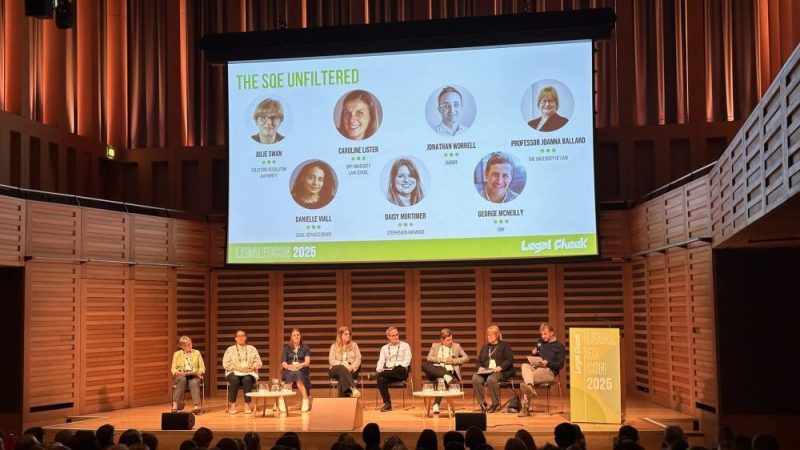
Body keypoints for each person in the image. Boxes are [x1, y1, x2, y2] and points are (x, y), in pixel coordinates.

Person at [518, 322, 566, 416]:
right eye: (542, 334)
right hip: (536, 368)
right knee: (524, 365)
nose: (543, 336)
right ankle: (530, 388)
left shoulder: (559, 346)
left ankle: (525, 409)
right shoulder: (540, 342)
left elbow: (560, 365)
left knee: (528, 380)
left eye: (545, 334)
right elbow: (537, 354)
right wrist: (534, 353)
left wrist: (548, 363)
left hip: (548, 371)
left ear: (551, 333)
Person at [421, 328, 469, 414]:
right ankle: (445, 376)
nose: (451, 341)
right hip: (435, 370)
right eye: (448, 340)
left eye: (451, 339)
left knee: (440, 380)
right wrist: (443, 360)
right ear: (442, 340)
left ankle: (436, 404)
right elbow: (429, 358)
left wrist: (454, 361)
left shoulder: (456, 346)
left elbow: (466, 358)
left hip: (449, 371)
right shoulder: (435, 346)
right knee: (424, 364)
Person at [472, 325, 514, 412]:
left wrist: (500, 367)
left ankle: (495, 404)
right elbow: (478, 361)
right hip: (486, 371)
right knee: (475, 378)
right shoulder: (485, 347)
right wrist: (480, 367)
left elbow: (509, 360)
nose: (489, 337)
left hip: (500, 371)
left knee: (491, 379)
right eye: (488, 335)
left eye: (491, 335)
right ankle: (482, 403)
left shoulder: (504, 345)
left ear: (497, 335)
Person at [222, 329, 263, 414]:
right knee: (234, 379)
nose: (240, 337)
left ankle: (247, 404)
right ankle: (233, 405)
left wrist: (251, 368)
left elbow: (259, 363)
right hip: (233, 372)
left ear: (246, 337)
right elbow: (225, 364)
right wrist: (237, 368)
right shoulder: (230, 349)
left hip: (249, 372)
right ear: (235, 338)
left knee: (247, 379)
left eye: (242, 336)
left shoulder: (252, 349)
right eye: (238, 336)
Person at [376, 326, 412, 411]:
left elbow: (407, 360)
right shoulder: (384, 348)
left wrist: (398, 367)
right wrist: (379, 369)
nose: (396, 337)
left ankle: (377, 375)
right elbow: (381, 361)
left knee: (399, 369)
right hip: (389, 372)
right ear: (388, 337)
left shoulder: (405, 345)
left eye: (397, 335)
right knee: (381, 380)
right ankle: (387, 404)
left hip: (401, 371)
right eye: (393, 335)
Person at [170, 335, 206, 414]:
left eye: (190, 343)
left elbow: (202, 367)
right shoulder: (177, 354)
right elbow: (173, 369)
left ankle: (196, 407)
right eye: (187, 345)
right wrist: (178, 372)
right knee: (182, 380)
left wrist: (200, 371)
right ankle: (175, 406)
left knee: (194, 382)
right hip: (182, 375)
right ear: (182, 346)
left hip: (194, 375)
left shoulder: (196, 353)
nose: (190, 346)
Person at [281, 328, 312, 412]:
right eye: (294, 335)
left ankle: (305, 399)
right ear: (291, 337)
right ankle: (282, 400)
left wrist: (299, 365)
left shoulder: (305, 348)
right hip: (289, 369)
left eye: (298, 335)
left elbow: (307, 362)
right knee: (292, 374)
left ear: (300, 336)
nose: (296, 337)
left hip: (302, 370)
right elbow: (284, 363)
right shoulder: (287, 348)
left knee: (298, 375)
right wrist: (290, 367)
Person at [328, 326, 362, 398]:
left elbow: (358, 359)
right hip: (336, 369)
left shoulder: (354, 345)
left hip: (351, 370)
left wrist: (351, 367)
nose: (348, 336)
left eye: (349, 334)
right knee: (341, 368)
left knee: (342, 377)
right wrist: (342, 364)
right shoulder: (334, 346)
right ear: (340, 335)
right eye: (346, 334)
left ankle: (342, 402)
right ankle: (353, 388)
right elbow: (331, 361)